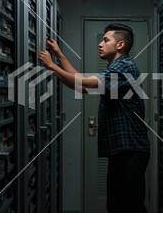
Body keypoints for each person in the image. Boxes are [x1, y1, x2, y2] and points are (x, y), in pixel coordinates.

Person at [39, 23, 150, 212]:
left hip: (130, 151)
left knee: (129, 209)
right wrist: (58, 56)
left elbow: (84, 84)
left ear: (120, 45)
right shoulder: (115, 68)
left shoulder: (124, 66)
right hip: (122, 150)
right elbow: (82, 85)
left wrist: (51, 65)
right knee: (118, 207)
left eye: (106, 40)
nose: (100, 44)